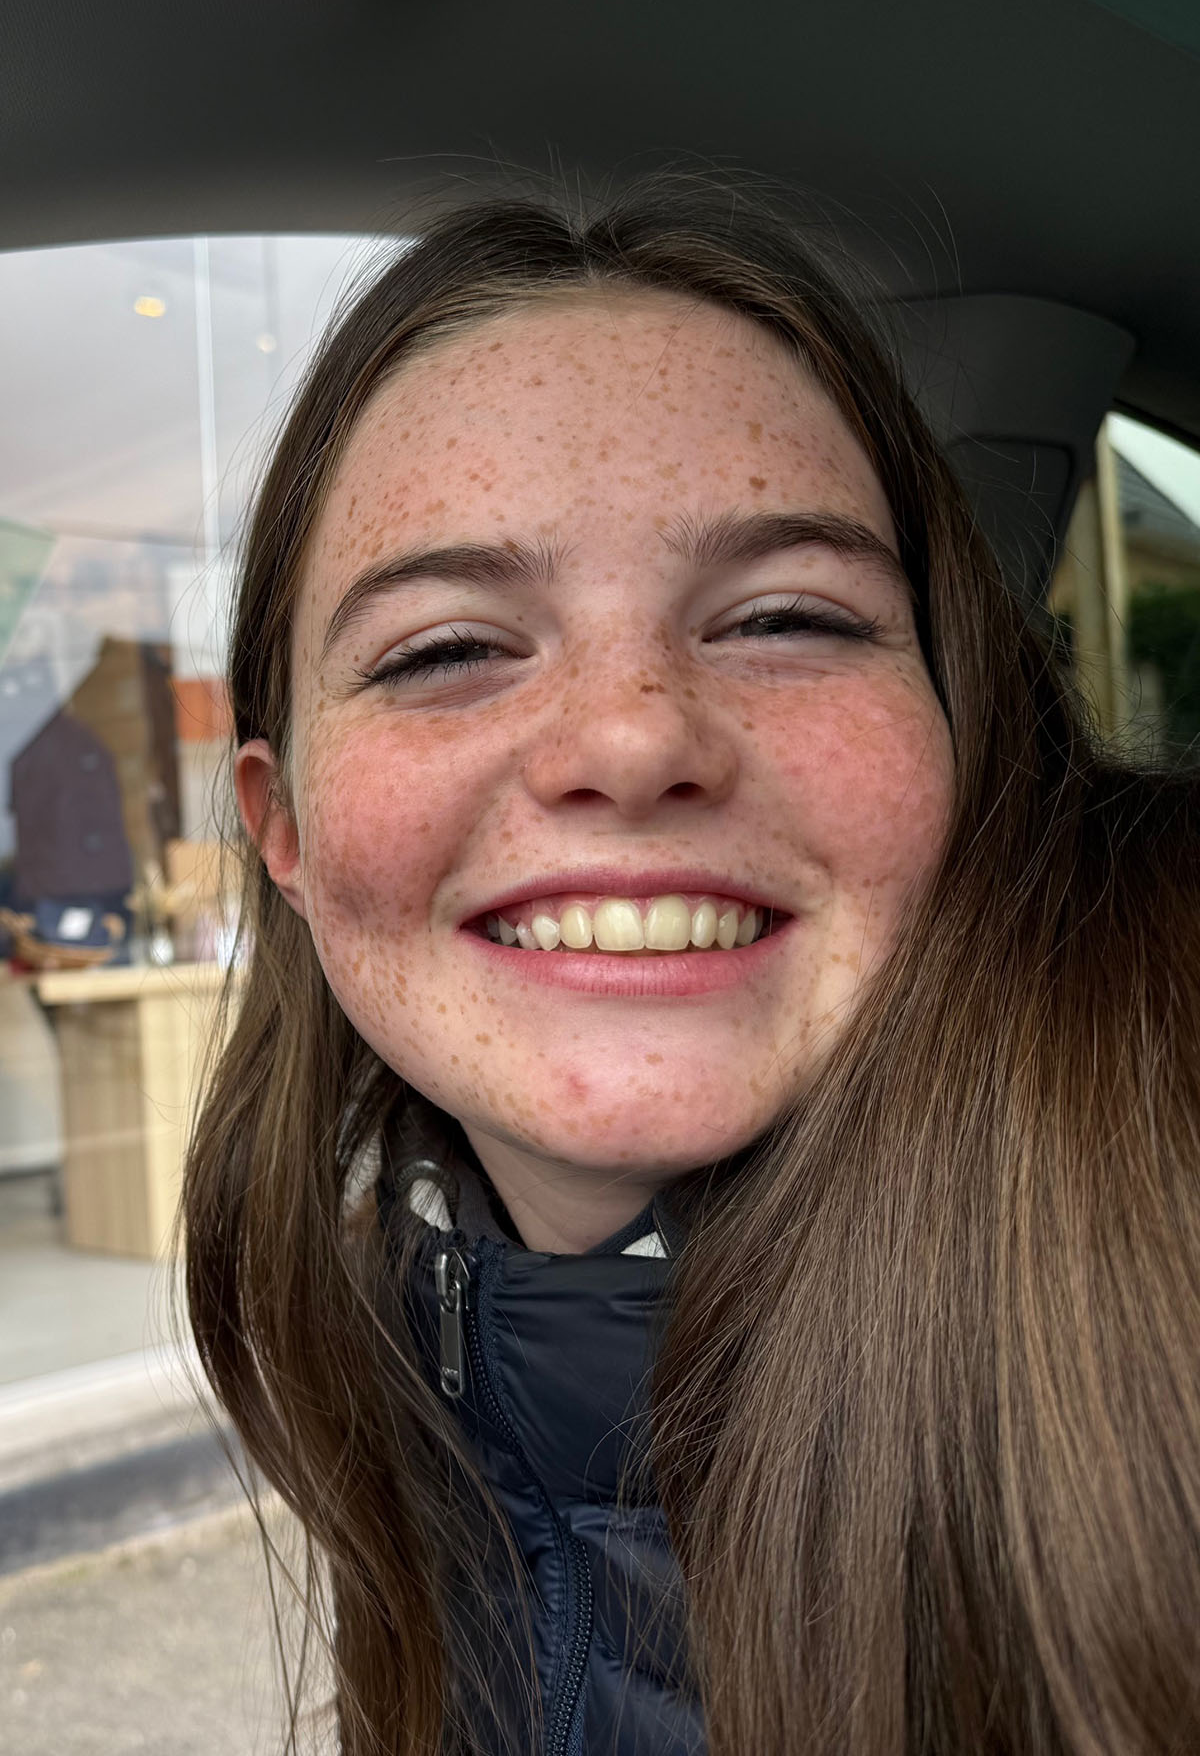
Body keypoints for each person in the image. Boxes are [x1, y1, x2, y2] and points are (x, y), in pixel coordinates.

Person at [182, 174, 1200, 1756]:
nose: (632, 737)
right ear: (285, 828)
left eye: (788, 618)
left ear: (961, 733)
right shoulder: (405, 1367)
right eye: (448, 649)